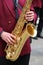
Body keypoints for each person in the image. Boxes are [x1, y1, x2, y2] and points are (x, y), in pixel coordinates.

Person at [0, 0, 37, 65]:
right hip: (4, 47)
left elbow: (32, 11)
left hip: (24, 47)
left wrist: (32, 16)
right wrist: (1, 33)